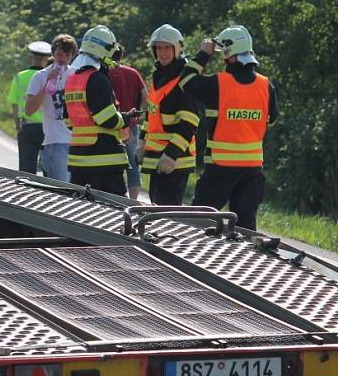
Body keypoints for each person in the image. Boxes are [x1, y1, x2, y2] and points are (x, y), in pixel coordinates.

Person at [178, 25, 277, 231]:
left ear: (228, 54)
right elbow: (271, 119)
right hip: (252, 171)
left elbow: (185, 81)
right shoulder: (266, 85)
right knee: (245, 229)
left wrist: (204, 54)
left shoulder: (218, 84)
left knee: (199, 224)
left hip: (220, 168)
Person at [64, 25, 140, 196]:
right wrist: (126, 118)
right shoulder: (98, 79)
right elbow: (107, 119)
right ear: (105, 53)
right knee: (112, 214)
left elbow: (68, 121)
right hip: (104, 162)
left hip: (78, 161)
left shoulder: (72, 80)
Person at [137, 25, 199, 205]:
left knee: (166, 217)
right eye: (158, 48)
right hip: (157, 159)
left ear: (177, 49)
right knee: (156, 210)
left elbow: (190, 121)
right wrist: (142, 144)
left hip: (175, 161)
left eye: (167, 48)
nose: (162, 52)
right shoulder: (159, 76)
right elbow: (151, 116)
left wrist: (171, 154)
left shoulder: (184, 79)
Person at [25, 34, 78, 181]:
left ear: (72, 56)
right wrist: (47, 86)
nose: (63, 58)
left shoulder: (75, 75)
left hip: (77, 142)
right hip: (55, 141)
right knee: (62, 190)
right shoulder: (40, 76)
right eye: (60, 53)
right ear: (53, 53)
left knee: (79, 193)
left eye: (67, 55)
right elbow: (29, 110)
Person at [108, 44, 148, 199]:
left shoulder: (105, 73)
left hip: (112, 125)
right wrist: (138, 115)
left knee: (112, 163)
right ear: (122, 56)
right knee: (133, 165)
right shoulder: (133, 73)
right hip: (131, 125)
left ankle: (114, 198)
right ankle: (133, 200)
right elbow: (145, 97)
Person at [7, 41, 52, 174]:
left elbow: (14, 104)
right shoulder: (50, 77)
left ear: (30, 58)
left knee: (26, 170)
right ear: (47, 59)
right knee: (48, 170)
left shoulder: (19, 77)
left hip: (27, 127)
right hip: (47, 129)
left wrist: (17, 125)